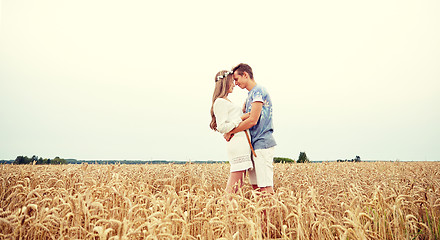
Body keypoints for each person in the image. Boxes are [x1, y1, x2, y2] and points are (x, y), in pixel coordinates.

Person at [224, 63, 276, 194]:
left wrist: (231, 131)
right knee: (257, 188)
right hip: (253, 146)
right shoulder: (249, 97)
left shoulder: (259, 91)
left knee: (265, 187)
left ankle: (271, 215)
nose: (235, 83)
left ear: (245, 75)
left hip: (262, 143)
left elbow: (252, 120)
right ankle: (264, 215)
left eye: (236, 79)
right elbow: (243, 117)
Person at [210, 70, 254, 193]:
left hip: (241, 143)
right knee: (234, 186)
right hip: (237, 145)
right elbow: (222, 127)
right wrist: (241, 118)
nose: (234, 84)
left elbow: (233, 120)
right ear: (225, 82)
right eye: (232, 81)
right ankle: (227, 210)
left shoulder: (226, 101)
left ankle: (230, 210)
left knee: (238, 186)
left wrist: (242, 110)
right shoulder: (220, 102)